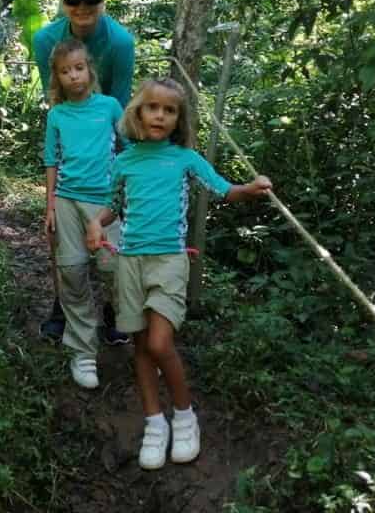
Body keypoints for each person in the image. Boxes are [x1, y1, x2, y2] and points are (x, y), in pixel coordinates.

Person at [85, 78, 273, 470]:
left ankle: (185, 416)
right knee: (139, 345)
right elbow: (113, 205)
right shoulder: (125, 161)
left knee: (158, 341)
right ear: (138, 112)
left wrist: (252, 188)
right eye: (153, 107)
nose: (160, 115)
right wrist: (96, 224)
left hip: (169, 259)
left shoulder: (185, 158)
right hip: (130, 261)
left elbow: (223, 189)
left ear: (178, 119)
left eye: (169, 110)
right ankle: (155, 422)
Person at [34, 0, 135, 342]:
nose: (83, 6)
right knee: (59, 226)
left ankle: (114, 310)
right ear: (63, 3)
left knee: (113, 236)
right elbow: (55, 93)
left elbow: (120, 107)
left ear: (102, 2)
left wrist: (126, 172)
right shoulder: (46, 40)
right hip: (68, 127)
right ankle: (64, 305)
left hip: (105, 127)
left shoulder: (120, 43)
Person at [43, 39, 129, 388]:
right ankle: (83, 352)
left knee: (116, 269)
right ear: (58, 78)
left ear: (89, 70)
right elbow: (51, 160)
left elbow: (129, 147)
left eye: (79, 68)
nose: (74, 76)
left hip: (106, 204)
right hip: (66, 200)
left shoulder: (109, 107)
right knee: (72, 273)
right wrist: (49, 205)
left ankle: (131, 333)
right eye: (66, 71)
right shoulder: (57, 114)